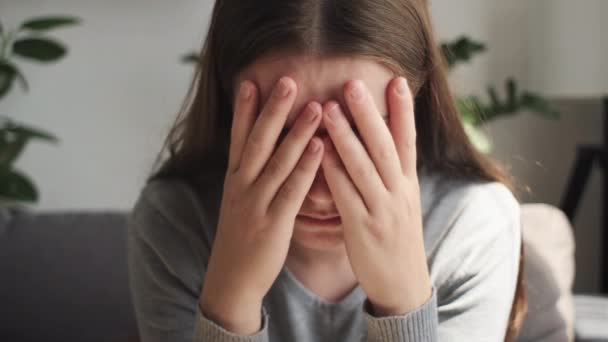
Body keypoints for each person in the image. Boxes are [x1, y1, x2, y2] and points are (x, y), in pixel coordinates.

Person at [127, 0, 527, 341]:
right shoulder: (176, 222)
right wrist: (231, 304)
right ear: (230, 107)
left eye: (360, 134)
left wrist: (404, 302)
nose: (319, 192)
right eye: (284, 135)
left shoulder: (471, 225)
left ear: (417, 103)